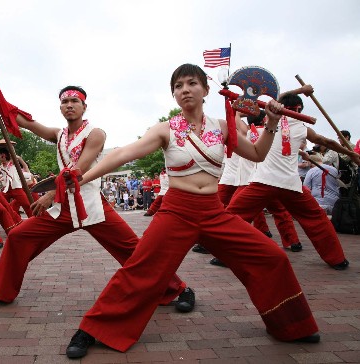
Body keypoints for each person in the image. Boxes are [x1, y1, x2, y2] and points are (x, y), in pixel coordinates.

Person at [65, 64, 320, 358]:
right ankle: (92, 330)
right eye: (178, 86)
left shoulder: (223, 126)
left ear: (206, 90)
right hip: (176, 211)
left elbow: (258, 154)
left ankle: (291, 326)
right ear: (174, 94)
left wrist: (273, 122)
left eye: (191, 83)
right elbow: (124, 153)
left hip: (214, 212)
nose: (185, 89)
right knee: (141, 269)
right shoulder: (165, 129)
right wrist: (82, 176)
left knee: (272, 256)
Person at [0, 85, 194, 315]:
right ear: (60, 107)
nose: (69, 105)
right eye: (64, 101)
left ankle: (179, 289)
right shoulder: (58, 135)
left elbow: (78, 170)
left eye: (74, 101)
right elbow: (26, 122)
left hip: (91, 206)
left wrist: (49, 195)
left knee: (134, 250)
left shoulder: (96, 133)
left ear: (84, 107)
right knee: (17, 236)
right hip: (63, 208)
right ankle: (0, 292)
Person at [226, 90, 359, 269]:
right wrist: (350, 153)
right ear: (299, 109)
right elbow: (326, 142)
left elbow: (324, 141)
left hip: (264, 181)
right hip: (289, 184)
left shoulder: (269, 120)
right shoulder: (300, 128)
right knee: (317, 219)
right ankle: (337, 259)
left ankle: (222, 253)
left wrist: (300, 91)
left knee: (232, 215)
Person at [0, 148, 34, 217]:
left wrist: (11, 151)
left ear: (3, 155)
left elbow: (18, 158)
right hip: (6, 189)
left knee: (26, 205)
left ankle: (33, 219)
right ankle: (14, 221)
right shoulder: (0, 168)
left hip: (16, 187)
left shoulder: (12, 162)